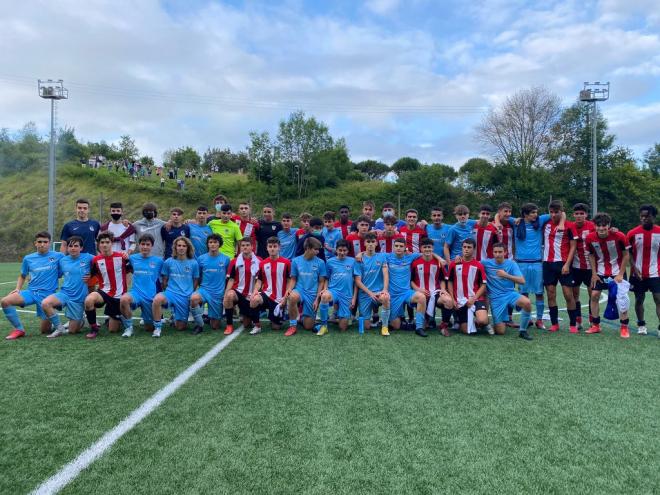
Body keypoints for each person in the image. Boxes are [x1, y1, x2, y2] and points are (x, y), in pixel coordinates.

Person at [3, 231, 63, 339]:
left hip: (47, 296)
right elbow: (22, 275)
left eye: (45, 242)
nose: (42, 244)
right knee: (5, 301)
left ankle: (53, 317)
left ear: (50, 243)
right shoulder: (28, 258)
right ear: (35, 243)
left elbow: (68, 267)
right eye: (39, 242)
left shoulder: (58, 256)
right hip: (31, 292)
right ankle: (19, 329)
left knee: (45, 331)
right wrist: (17, 289)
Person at [585, 212, 631, 338]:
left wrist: (621, 274)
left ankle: (624, 327)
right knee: (594, 295)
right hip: (600, 272)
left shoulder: (619, 236)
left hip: (617, 272)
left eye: (604, 226)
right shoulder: (590, 238)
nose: (601, 229)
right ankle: (595, 325)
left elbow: (626, 255)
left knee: (621, 299)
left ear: (609, 226)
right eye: (598, 226)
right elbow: (591, 255)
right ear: (595, 226)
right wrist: (594, 274)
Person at [41, 236, 94, 338]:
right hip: (64, 293)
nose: (73, 248)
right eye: (70, 246)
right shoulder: (62, 260)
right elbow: (53, 271)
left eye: (76, 246)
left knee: (73, 331)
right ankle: (59, 328)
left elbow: (101, 263)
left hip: (78, 298)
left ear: (81, 248)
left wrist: (92, 274)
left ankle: (80, 321)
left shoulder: (88, 257)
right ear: (67, 248)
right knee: (45, 303)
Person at [84, 231, 133, 339]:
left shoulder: (122, 257)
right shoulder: (95, 260)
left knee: (113, 329)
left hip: (119, 295)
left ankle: (117, 316)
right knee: (88, 300)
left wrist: (127, 287)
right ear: (99, 244)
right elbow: (91, 274)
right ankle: (94, 328)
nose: (104, 244)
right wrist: (87, 277)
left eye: (107, 242)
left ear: (111, 243)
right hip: (104, 292)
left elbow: (130, 271)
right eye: (102, 242)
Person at [512, 203, 552, 330]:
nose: (536, 214)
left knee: (539, 293)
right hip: (521, 263)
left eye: (536, 212)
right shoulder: (516, 223)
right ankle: (527, 318)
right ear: (525, 214)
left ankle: (539, 320)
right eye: (533, 212)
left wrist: (561, 223)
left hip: (536, 263)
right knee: (524, 293)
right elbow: (500, 215)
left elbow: (560, 213)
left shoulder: (540, 221)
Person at [482, 243, 533, 340]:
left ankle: (523, 331)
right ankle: (501, 319)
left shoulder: (511, 264)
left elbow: (522, 281)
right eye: (495, 252)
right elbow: (473, 263)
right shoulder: (486, 263)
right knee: (500, 332)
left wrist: (506, 275)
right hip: (495, 299)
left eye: (500, 252)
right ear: (492, 253)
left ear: (505, 252)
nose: (498, 254)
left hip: (509, 294)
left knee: (527, 302)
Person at [152, 237, 200, 337]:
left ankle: (175, 316)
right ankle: (157, 328)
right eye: (179, 245)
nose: (181, 248)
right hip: (171, 294)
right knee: (157, 299)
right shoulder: (168, 262)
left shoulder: (194, 263)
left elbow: (196, 281)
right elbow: (164, 280)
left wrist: (190, 293)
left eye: (184, 246)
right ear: (175, 247)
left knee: (180, 327)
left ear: (188, 248)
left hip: (185, 296)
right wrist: (167, 292)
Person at [542, 200, 577, 333]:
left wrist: (567, 264)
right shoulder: (545, 224)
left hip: (563, 264)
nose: (553, 215)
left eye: (556, 212)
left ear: (561, 212)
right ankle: (554, 323)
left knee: (568, 294)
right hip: (548, 264)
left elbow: (573, 246)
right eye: (551, 212)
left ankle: (573, 324)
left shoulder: (569, 226)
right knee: (551, 295)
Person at [119, 234, 163, 337]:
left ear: (152, 246)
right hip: (136, 293)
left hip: (150, 295)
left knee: (149, 328)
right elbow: (122, 268)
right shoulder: (132, 258)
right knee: (124, 299)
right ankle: (129, 328)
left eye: (148, 244)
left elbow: (165, 277)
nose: (145, 247)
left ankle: (153, 321)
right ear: (139, 245)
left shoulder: (159, 261)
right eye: (143, 244)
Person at [626, 204, 660, 336]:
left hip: (656, 273)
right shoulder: (632, 233)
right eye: (642, 216)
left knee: (658, 298)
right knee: (639, 299)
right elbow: (628, 253)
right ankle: (641, 324)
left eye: (647, 216)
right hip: (637, 273)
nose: (644, 219)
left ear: (654, 217)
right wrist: (635, 269)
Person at [384, 238, 428, 336]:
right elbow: (372, 254)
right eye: (396, 246)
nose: (398, 248)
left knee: (421, 297)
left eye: (401, 246)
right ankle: (402, 321)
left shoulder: (410, 257)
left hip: (406, 293)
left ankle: (419, 327)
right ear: (393, 247)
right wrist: (360, 254)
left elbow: (427, 253)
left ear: (405, 248)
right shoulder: (387, 256)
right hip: (393, 295)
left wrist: (440, 259)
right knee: (396, 326)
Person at [285, 237, 327, 336]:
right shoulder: (295, 261)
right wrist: (289, 289)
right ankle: (292, 326)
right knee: (292, 296)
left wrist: (317, 299)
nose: (317, 252)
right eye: (315, 249)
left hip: (312, 294)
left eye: (318, 249)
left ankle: (302, 317)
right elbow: (293, 279)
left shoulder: (320, 262)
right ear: (308, 248)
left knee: (308, 326)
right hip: (299, 290)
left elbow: (321, 282)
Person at [446, 239, 489, 335]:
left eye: (469, 247)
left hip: (475, 299)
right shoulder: (454, 264)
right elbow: (450, 282)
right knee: (465, 330)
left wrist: (473, 299)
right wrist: (453, 299)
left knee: (483, 321)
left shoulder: (478, 265)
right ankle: (463, 320)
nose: (466, 249)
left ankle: (481, 320)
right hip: (460, 300)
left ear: (474, 249)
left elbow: (483, 285)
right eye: (464, 247)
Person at [190, 234, 230, 334]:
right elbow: (198, 276)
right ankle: (199, 324)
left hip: (218, 293)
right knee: (194, 298)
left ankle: (211, 318)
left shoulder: (226, 259)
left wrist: (225, 291)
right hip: (204, 290)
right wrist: (200, 287)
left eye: (215, 242)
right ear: (207, 244)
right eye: (210, 242)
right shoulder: (201, 259)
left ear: (219, 244)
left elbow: (228, 278)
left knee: (215, 326)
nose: (212, 244)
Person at [411, 237, 452, 335]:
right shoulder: (415, 263)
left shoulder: (438, 263)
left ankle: (444, 325)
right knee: (425, 325)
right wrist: (419, 289)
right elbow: (411, 281)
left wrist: (442, 289)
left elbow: (442, 279)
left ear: (433, 248)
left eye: (429, 247)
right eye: (425, 247)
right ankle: (425, 320)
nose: (427, 249)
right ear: (421, 249)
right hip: (421, 294)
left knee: (449, 301)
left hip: (435, 292)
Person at [250, 237, 291, 334]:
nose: (272, 249)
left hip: (279, 298)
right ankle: (257, 326)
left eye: (275, 246)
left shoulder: (286, 262)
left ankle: (276, 315)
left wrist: (285, 297)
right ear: (267, 248)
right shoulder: (263, 263)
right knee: (254, 299)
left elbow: (289, 281)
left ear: (279, 248)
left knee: (276, 327)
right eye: (270, 246)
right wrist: (255, 291)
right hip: (267, 294)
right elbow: (259, 280)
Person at [353, 232, 391, 335]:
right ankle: (368, 318)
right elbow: (357, 281)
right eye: (368, 242)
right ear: (364, 243)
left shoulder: (382, 256)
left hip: (378, 291)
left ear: (377, 243)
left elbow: (386, 274)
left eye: (373, 242)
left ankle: (384, 327)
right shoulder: (359, 259)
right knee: (366, 327)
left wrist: (385, 290)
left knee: (385, 297)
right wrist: (370, 293)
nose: (370, 244)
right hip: (365, 294)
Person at [223, 237, 262, 335]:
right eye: (243, 245)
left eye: (247, 245)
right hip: (238, 293)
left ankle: (245, 314)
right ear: (240, 248)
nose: (245, 247)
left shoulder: (259, 261)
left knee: (246, 324)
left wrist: (256, 293)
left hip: (251, 295)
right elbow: (231, 279)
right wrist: (226, 294)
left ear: (252, 247)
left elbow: (261, 280)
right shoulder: (234, 261)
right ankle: (229, 325)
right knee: (229, 295)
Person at [318, 240, 357, 335]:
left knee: (343, 327)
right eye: (340, 250)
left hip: (347, 294)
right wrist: (325, 289)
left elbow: (356, 281)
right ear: (336, 250)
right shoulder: (330, 262)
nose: (342, 253)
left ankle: (339, 317)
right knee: (324, 296)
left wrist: (354, 298)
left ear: (348, 251)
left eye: (344, 250)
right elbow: (327, 278)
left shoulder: (353, 261)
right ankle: (324, 325)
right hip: (333, 291)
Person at [570, 203, 597, 330]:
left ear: (586, 215)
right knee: (575, 294)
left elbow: (604, 233)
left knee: (592, 294)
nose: (579, 216)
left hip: (591, 267)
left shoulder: (592, 226)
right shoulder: (570, 226)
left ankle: (593, 320)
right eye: (577, 214)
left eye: (582, 213)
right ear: (573, 215)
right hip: (575, 266)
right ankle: (578, 320)